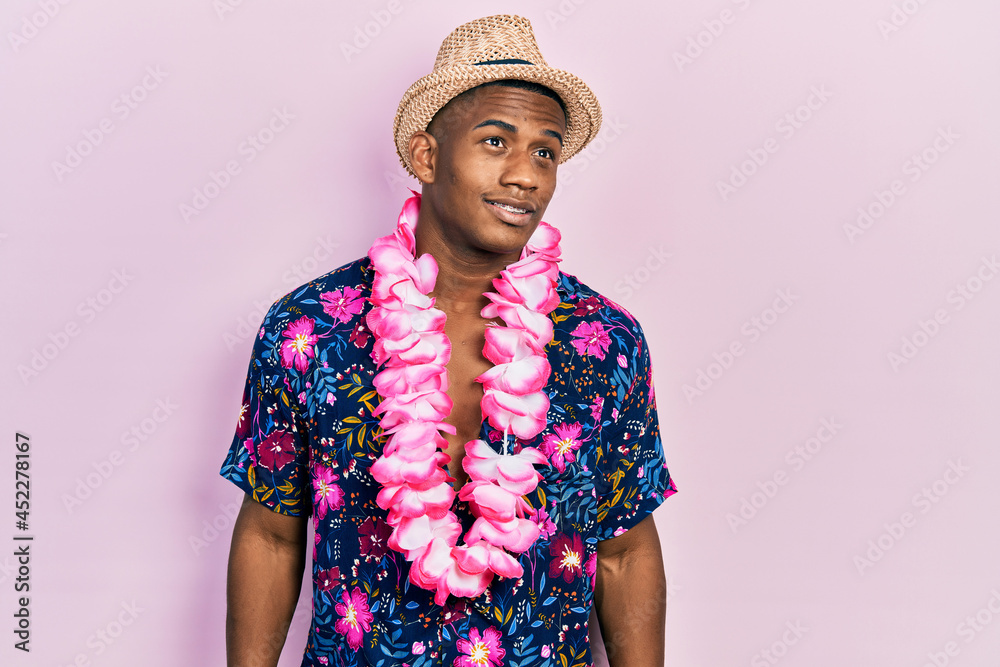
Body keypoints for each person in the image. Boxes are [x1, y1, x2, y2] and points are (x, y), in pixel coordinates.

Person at [221, 14, 677, 667]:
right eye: (496, 142)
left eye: (545, 152)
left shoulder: (603, 340)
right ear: (426, 154)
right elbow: (270, 535)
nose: (527, 175)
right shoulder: (308, 329)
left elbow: (626, 550)